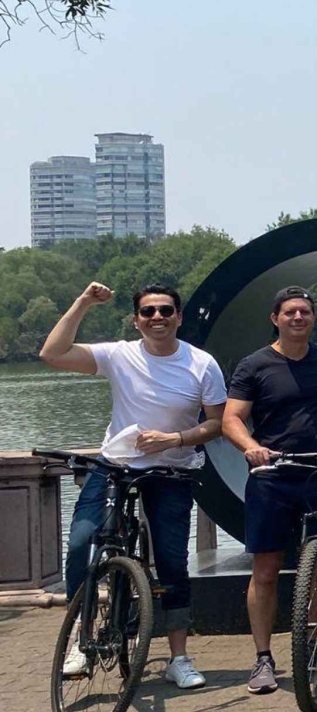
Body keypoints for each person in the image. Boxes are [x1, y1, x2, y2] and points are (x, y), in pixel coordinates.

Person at [40, 281, 226, 689]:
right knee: (81, 545)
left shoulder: (202, 363)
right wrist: (83, 301)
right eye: (148, 312)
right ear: (136, 319)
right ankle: (81, 637)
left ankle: (179, 656)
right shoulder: (119, 354)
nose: (156, 318)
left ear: (178, 317)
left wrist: (174, 439)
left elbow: (217, 423)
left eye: (165, 311)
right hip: (116, 466)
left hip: (171, 471)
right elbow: (52, 354)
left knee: (172, 562)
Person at [222, 286, 317, 694]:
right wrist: (251, 447)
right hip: (272, 475)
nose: (298, 318)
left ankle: (315, 644)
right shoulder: (255, 365)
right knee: (265, 569)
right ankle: (263, 658)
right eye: (290, 312)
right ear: (275, 318)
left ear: (313, 318)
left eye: (305, 312)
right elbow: (232, 417)